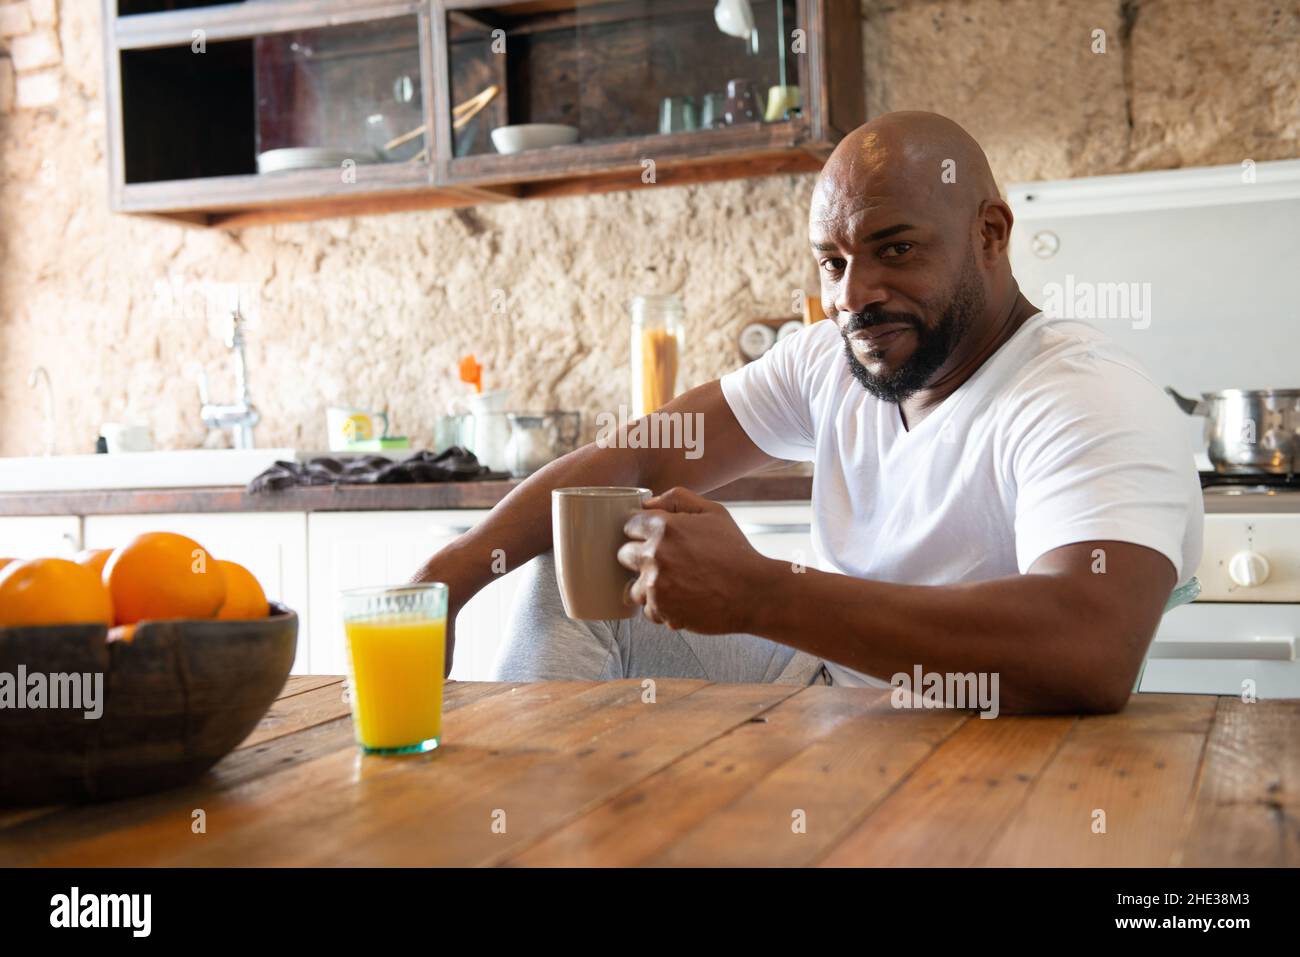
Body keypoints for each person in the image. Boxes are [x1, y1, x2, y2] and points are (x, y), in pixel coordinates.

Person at [412, 111, 1202, 714]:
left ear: (990, 234)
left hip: (977, 733)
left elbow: (1088, 649)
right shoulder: (831, 358)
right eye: (833, 262)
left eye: (896, 249)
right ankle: (543, 827)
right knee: (579, 559)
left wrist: (762, 592)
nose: (853, 295)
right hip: (828, 684)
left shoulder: (1084, 397)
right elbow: (641, 457)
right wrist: (447, 577)